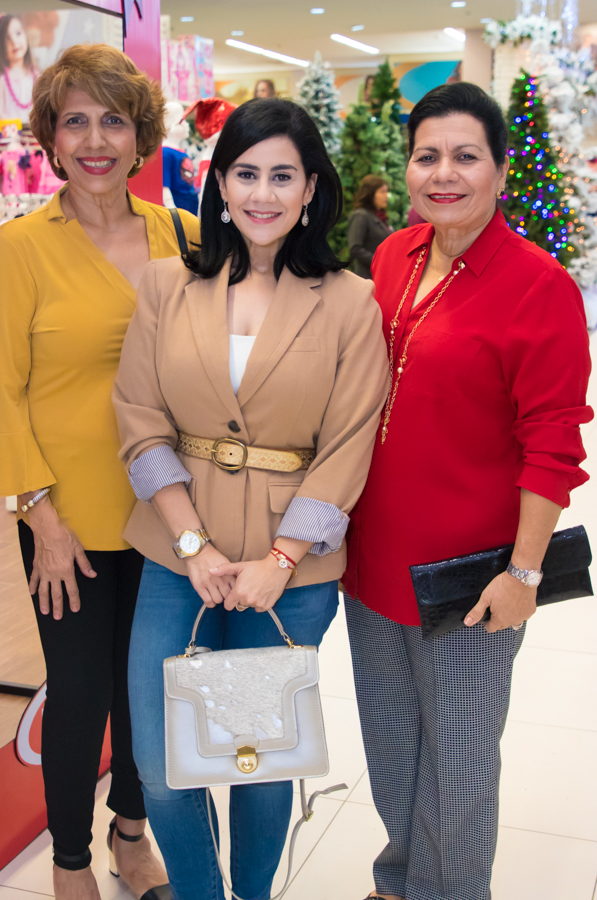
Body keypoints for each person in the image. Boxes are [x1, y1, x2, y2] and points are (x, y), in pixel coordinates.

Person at [112, 97, 389, 900]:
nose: (263, 194)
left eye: (283, 176)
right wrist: (191, 545)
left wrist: (282, 557)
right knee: (162, 764)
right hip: (176, 557)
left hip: (289, 574)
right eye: (246, 174)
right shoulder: (166, 285)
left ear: (311, 189)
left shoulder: (350, 300)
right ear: (221, 186)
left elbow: (349, 441)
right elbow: (138, 417)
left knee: (261, 761)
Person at [342, 82, 593, 900]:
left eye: (465, 157)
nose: (443, 174)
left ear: (501, 169)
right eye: (427, 156)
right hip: (372, 560)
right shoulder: (394, 256)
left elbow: (553, 446)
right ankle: (398, 878)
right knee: (392, 745)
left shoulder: (538, 285)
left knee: (459, 763)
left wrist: (523, 573)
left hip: (472, 579)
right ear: (407, 167)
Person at [0, 43, 200, 900]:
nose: (97, 140)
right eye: (76, 121)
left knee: (152, 691)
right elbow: (1, 392)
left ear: (142, 134)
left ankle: (131, 836)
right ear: (51, 138)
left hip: (171, 511)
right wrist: (40, 517)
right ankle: (69, 864)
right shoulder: (20, 247)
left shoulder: (180, 235)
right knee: (79, 691)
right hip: (65, 515)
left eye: (114, 120)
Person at [0, 16, 39, 122]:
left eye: (18, 33)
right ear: (0, 46)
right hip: (10, 131)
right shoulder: (1, 81)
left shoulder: (36, 76)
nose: (14, 41)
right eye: (7, 38)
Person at [347, 175, 393, 279]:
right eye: (382, 192)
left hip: (383, 277)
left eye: (386, 192)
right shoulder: (360, 215)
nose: (386, 196)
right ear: (371, 194)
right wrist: (381, 262)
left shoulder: (381, 218)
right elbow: (355, 249)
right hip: (368, 278)